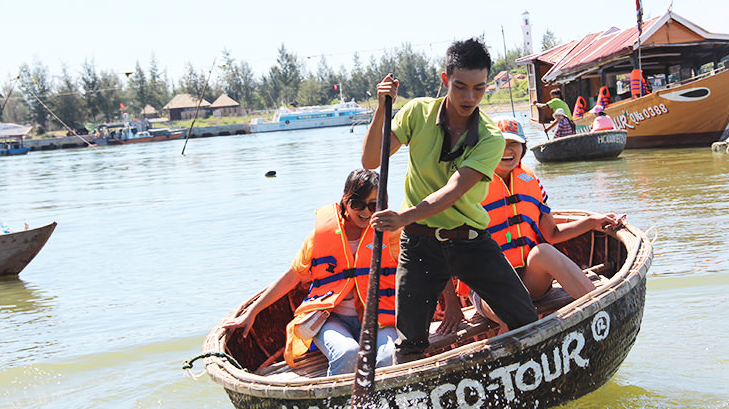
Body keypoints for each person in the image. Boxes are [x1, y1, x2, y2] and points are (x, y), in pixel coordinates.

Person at [362, 38, 538, 364]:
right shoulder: (417, 113)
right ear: (445, 81)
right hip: (419, 245)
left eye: (479, 88)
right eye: (460, 87)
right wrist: (382, 109)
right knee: (410, 343)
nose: (469, 97)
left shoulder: (490, 136)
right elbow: (372, 159)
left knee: (525, 319)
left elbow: (456, 188)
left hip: (470, 241)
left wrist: (403, 216)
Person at [222, 169, 400, 376]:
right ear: (345, 201)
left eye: (374, 205)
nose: (366, 212)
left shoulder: (392, 234)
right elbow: (291, 277)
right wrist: (252, 312)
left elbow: (418, 267)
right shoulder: (320, 236)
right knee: (348, 352)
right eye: (358, 204)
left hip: (378, 317)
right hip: (331, 319)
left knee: (388, 356)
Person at [466, 117, 623, 329]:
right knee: (513, 317)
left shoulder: (531, 181)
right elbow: (448, 244)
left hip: (529, 282)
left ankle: (603, 312)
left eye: (514, 143)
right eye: (499, 143)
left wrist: (592, 222)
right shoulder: (469, 185)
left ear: (523, 148)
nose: (507, 150)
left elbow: (553, 233)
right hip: (489, 285)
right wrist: (452, 307)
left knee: (544, 251)